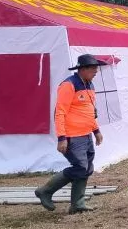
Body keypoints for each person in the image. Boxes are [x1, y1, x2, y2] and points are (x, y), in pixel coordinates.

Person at [35, 54, 107, 213]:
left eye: (97, 68)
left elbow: (89, 111)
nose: (96, 71)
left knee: (87, 168)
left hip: (86, 134)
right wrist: (62, 138)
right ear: (83, 69)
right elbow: (59, 113)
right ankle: (45, 191)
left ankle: (77, 205)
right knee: (80, 168)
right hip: (72, 137)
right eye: (93, 68)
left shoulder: (89, 85)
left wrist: (96, 131)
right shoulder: (69, 85)